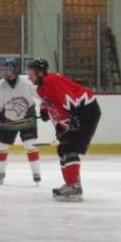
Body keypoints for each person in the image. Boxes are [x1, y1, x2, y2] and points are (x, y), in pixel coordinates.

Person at [27, 58, 101, 202]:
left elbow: (69, 99)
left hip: (86, 112)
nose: (29, 76)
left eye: (31, 73)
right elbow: (51, 102)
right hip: (76, 114)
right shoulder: (41, 88)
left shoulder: (51, 79)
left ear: (41, 73)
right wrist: (44, 109)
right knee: (63, 148)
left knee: (69, 148)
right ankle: (71, 183)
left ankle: (74, 186)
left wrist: (73, 118)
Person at [0, 57, 41, 185]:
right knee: (1, 146)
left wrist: (46, 107)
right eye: (4, 69)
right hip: (8, 119)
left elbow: (41, 95)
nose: (5, 72)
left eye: (8, 69)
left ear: (16, 69)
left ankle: (36, 173)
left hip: (27, 118)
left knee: (30, 145)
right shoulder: (1, 85)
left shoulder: (26, 82)